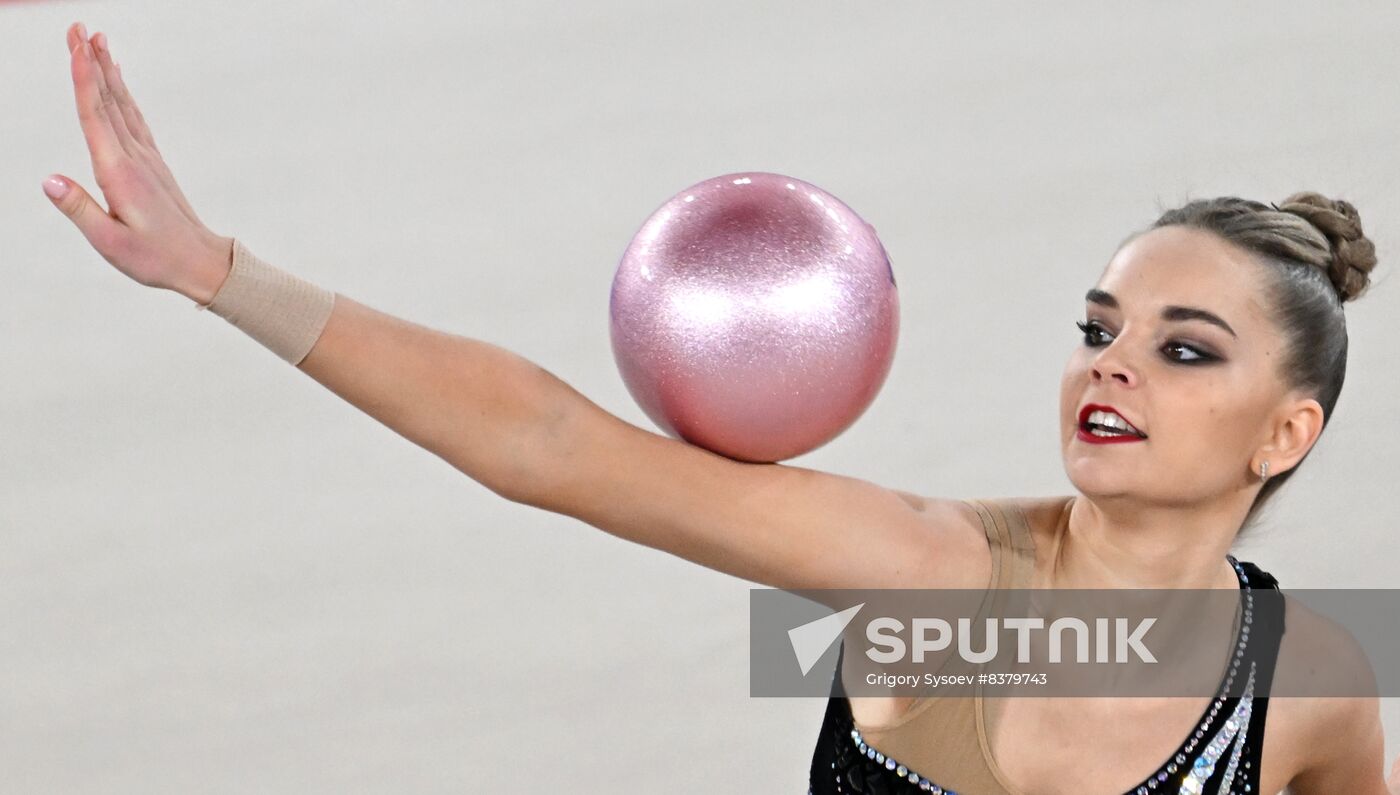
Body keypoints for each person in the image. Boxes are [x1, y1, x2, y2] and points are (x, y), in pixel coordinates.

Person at [43, 22, 1399, 795]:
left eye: (1185, 351)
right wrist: (221, 275)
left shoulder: (1316, 684)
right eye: (1098, 331)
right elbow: (553, 447)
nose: (1112, 366)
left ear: (1287, 433)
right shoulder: (936, 577)